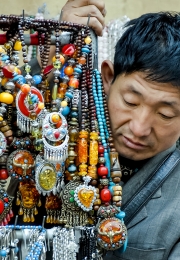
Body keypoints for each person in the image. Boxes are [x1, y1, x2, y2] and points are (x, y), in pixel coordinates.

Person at [101, 12, 180, 260]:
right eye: (130, 101)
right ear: (108, 78)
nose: (139, 128)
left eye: (165, 114)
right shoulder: (61, 139)